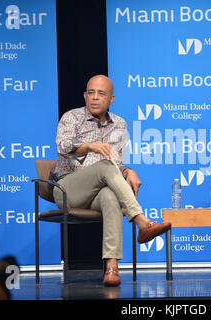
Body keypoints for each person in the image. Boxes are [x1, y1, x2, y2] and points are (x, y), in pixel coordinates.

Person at [52, 75, 171, 286]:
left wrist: (128, 171)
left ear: (111, 99)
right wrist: (90, 145)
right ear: (84, 95)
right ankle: (142, 221)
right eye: (91, 92)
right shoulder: (71, 117)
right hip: (67, 190)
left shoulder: (119, 124)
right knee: (106, 168)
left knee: (111, 196)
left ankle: (112, 268)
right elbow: (63, 147)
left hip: (97, 192)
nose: (95, 98)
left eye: (101, 94)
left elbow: (117, 163)